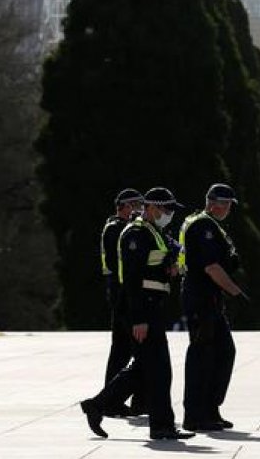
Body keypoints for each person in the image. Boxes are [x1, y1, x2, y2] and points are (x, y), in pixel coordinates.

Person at [81, 187, 193, 440]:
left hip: (151, 306)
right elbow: (131, 280)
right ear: (151, 208)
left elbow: (155, 266)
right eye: (166, 208)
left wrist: (170, 267)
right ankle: (161, 426)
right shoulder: (135, 234)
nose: (169, 214)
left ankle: (97, 405)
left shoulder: (155, 233)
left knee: (145, 368)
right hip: (140, 308)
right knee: (159, 369)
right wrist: (138, 318)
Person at [179, 183, 247, 431]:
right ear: (211, 202)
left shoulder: (210, 225)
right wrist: (235, 292)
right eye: (225, 203)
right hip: (201, 298)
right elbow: (211, 267)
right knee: (202, 356)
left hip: (210, 299)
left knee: (222, 353)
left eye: (230, 204)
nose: (228, 208)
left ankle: (210, 409)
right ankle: (195, 415)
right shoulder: (203, 226)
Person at [99, 188, 144, 417]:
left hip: (124, 293)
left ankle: (116, 399)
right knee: (123, 350)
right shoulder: (116, 228)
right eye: (136, 205)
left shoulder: (122, 228)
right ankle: (110, 400)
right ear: (125, 206)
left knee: (124, 349)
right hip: (121, 294)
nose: (140, 209)